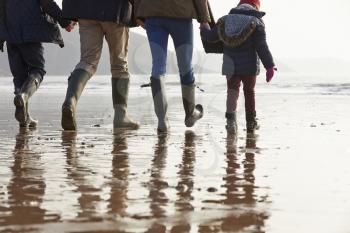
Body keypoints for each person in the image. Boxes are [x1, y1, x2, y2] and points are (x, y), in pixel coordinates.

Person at [61, 0, 139, 131]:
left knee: (87, 61)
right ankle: (121, 116)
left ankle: (70, 101)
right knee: (119, 65)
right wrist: (141, 13)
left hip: (85, 10)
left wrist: (71, 9)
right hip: (115, 10)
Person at [201, 0, 276, 134]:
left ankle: (230, 123)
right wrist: (269, 66)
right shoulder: (256, 22)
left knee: (232, 92)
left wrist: (204, 26)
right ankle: (251, 124)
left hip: (231, 66)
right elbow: (262, 47)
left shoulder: (224, 20)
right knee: (249, 92)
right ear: (255, 7)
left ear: (239, 5)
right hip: (249, 67)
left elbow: (210, 37)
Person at [134, 0, 211, 132]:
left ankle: (162, 122)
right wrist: (204, 19)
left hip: (152, 12)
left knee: (158, 66)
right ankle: (190, 114)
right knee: (185, 64)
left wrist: (137, 13)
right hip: (180, 12)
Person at [0, 0, 74, 128]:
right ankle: (23, 96)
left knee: (19, 76)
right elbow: (47, 3)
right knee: (38, 70)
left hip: (10, 33)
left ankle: (24, 118)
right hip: (31, 33)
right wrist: (65, 22)